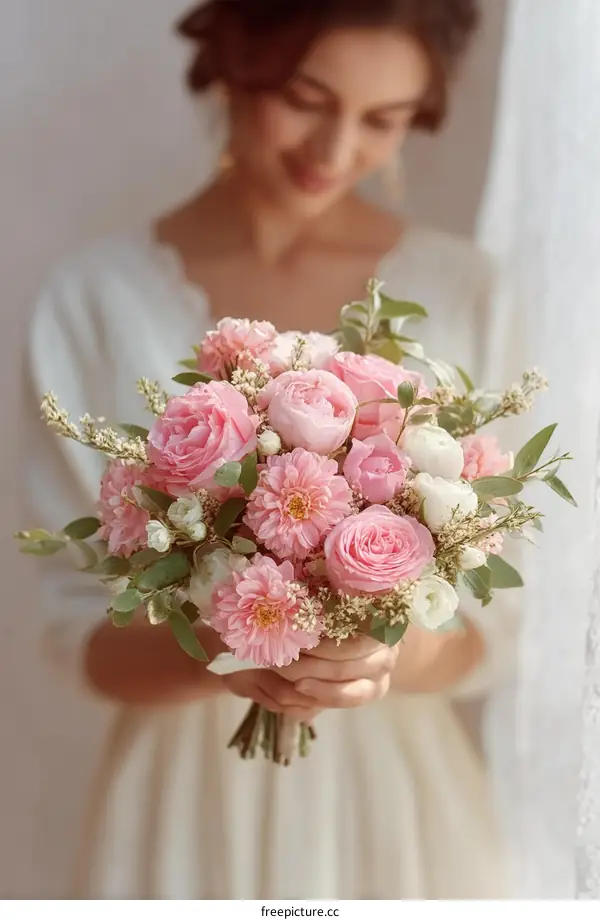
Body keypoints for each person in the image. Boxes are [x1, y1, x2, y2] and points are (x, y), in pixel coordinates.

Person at [23, 0, 517, 899]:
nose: (333, 150)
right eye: (304, 97)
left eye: (382, 120)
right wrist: (223, 641)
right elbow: (72, 636)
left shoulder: (466, 289)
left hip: (396, 813)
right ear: (236, 63)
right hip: (179, 812)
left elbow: (507, 627)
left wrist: (377, 650)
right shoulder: (91, 299)